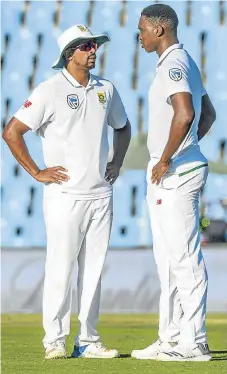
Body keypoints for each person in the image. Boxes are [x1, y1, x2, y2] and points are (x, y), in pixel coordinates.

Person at [2, 24, 131, 360]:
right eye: (86, 46)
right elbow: (12, 132)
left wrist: (115, 164)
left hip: (100, 195)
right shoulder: (49, 90)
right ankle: (54, 341)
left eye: (95, 45)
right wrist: (36, 171)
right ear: (69, 53)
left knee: (93, 272)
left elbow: (123, 126)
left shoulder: (107, 88)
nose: (93, 51)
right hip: (64, 195)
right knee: (60, 268)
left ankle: (87, 340)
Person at [131, 4, 216, 362]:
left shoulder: (175, 64)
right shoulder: (181, 63)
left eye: (143, 30)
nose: (140, 36)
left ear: (159, 30)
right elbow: (208, 114)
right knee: (166, 260)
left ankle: (194, 342)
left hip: (174, 172)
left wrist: (169, 157)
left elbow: (187, 114)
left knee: (184, 259)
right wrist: (185, 149)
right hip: (175, 168)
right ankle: (170, 338)